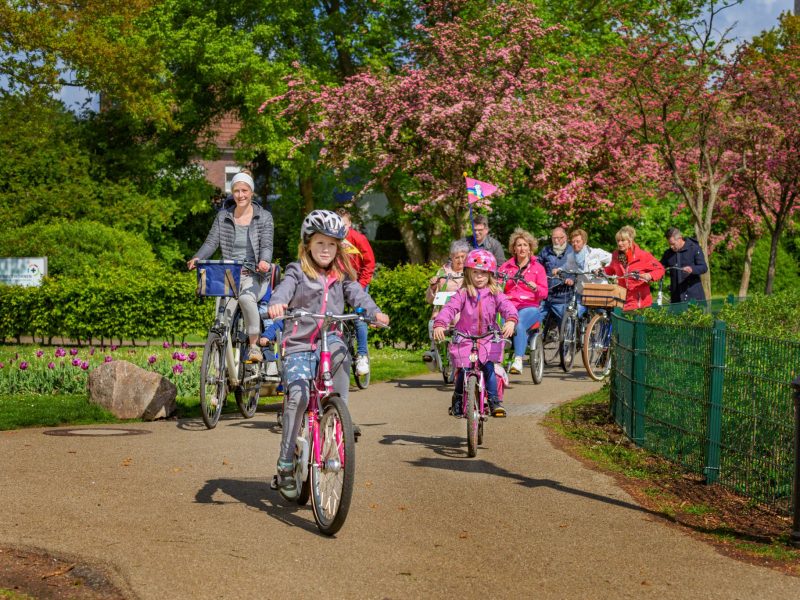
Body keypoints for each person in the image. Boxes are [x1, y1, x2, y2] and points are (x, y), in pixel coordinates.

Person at [267, 210, 389, 498]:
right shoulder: (297, 271)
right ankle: (285, 462)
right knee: (298, 396)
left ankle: (337, 418)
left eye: (332, 244)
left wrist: (374, 312)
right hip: (299, 343)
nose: (326, 249)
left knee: (341, 355)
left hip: (330, 339)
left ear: (338, 248)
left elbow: (358, 295)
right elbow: (284, 290)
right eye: (320, 243)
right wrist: (277, 303)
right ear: (308, 244)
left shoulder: (342, 275)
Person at [188, 170, 273, 362]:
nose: (240, 195)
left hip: (254, 274)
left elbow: (267, 244)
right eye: (236, 191)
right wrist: (198, 257)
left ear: (251, 192)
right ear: (232, 192)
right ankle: (219, 366)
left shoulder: (264, 217)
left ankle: (253, 346)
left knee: (245, 298)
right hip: (228, 274)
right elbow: (211, 242)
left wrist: (264, 261)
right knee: (222, 317)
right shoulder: (223, 216)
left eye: (244, 190)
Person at [433, 249, 518, 417]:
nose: (479, 277)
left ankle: (494, 402)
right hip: (465, 338)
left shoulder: (495, 293)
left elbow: (507, 307)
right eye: (475, 272)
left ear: (490, 275)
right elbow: (450, 309)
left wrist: (511, 320)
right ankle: (458, 399)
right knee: (463, 369)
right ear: (468, 273)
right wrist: (440, 324)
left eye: (483, 273)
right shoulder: (463, 293)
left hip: (488, 338)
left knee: (489, 368)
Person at [497, 229, 548, 375]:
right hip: (508, 305)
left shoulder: (538, 268)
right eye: (519, 245)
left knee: (518, 324)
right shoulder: (506, 267)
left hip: (529, 306)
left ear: (530, 248)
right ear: (514, 248)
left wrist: (535, 288)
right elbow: (496, 285)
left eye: (525, 245)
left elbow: (544, 293)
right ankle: (498, 356)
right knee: (496, 324)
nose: (522, 248)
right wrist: (499, 287)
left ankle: (518, 360)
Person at [336, 207, 376, 376]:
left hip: (358, 283)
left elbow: (369, 263)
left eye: (344, 224)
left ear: (350, 223)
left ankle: (362, 355)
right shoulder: (331, 239)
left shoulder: (358, 239)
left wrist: (361, 284)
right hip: (337, 284)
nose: (341, 228)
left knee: (359, 318)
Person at [422, 240, 469, 365]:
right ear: (451, 257)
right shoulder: (442, 273)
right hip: (444, 309)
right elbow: (430, 299)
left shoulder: (470, 272)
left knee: (460, 318)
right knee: (435, 322)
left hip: (464, 310)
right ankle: (434, 351)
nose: (460, 260)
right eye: (457, 257)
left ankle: (461, 351)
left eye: (463, 257)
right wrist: (432, 287)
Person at [604, 225, 665, 311]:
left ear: (630, 241)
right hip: (622, 299)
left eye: (623, 240)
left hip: (640, 302)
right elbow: (612, 269)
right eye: (618, 241)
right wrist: (601, 270)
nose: (619, 243)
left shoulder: (643, 256)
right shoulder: (616, 255)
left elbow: (660, 269)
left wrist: (649, 275)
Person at [660, 227, 708, 303]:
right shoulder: (668, 253)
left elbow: (704, 267)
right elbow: (660, 267)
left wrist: (692, 269)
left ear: (680, 238)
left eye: (673, 244)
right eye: (669, 244)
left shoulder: (694, 248)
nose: (671, 247)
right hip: (676, 297)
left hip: (694, 296)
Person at [538, 226, 575, 323]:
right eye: (554, 238)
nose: (556, 241)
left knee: (564, 326)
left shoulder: (572, 251)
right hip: (546, 296)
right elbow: (537, 266)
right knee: (534, 322)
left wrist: (571, 279)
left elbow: (577, 270)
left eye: (559, 238)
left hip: (563, 297)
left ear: (565, 237)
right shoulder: (545, 250)